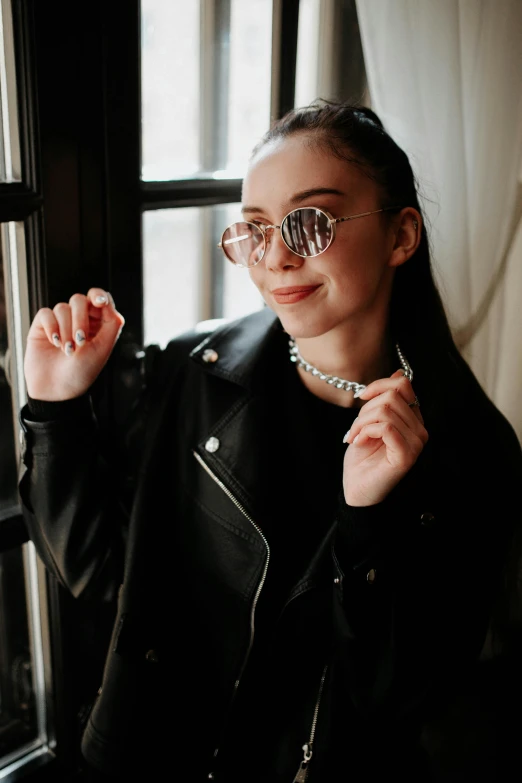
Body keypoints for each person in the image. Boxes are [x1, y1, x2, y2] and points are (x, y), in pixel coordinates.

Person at [18, 100, 522, 782]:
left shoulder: (473, 447)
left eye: (311, 222)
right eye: (255, 229)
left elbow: (400, 700)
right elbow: (99, 575)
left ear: (402, 235)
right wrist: (55, 407)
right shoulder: (194, 373)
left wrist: (368, 522)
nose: (276, 256)